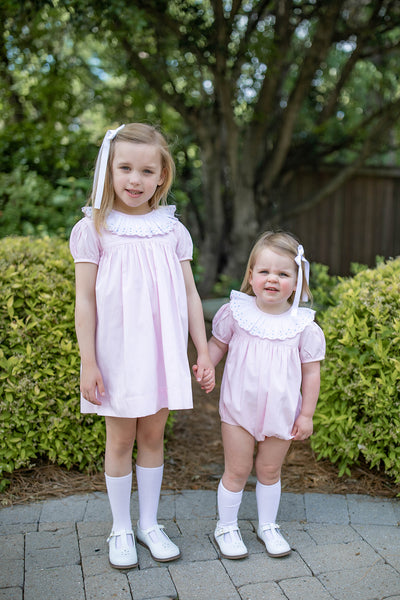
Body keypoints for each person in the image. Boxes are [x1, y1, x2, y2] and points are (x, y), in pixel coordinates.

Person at [70, 123, 215, 570]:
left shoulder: (171, 231)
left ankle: (149, 524)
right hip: (114, 354)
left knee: (153, 437)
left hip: (160, 352)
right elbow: (86, 300)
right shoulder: (93, 227)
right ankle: (120, 527)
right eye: (125, 168)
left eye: (146, 170)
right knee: (120, 439)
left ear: (161, 176)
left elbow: (190, 294)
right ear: (108, 171)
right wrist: (88, 362)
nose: (135, 179)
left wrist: (203, 350)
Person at [197, 231, 325, 560]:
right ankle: (226, 527)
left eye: (283, 273)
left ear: (297, 281)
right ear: (251, 274)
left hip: (282, 412)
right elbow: (217, 346)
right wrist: (205, 365)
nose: (272, 279)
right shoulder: (235, 314)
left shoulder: (303, 325)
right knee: (236, 470)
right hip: (239, 409)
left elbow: (311, 373)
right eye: (265, 271)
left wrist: (306, 414)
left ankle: (268, 525)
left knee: (269, 471)